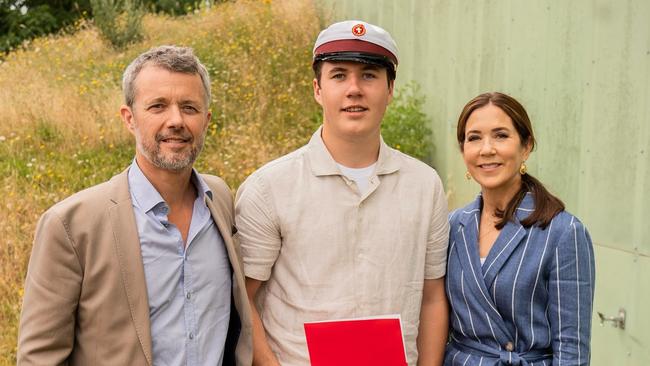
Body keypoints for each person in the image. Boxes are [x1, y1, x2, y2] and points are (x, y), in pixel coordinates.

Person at [17, 45, 252, 366]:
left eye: (190, 107)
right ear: (129, 118)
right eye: (157, 106)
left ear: (207, 119)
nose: (176, 121)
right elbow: (39, 358)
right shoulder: (72, 225)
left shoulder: (220, 199)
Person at [235, 20, 449, 365]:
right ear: (317, 89)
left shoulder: (425, 185)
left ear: (390, 89)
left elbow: (432, 297)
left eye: (369, 75)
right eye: (339, 75)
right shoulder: (269, 188)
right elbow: (244, 300)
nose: (354, 89)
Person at [445, 92, 595, 365]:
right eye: (474, 137)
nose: (486, 149)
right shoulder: (453, 225)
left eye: (501, 135)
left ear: (526, 147)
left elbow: (571, 348)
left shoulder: (562, 231)